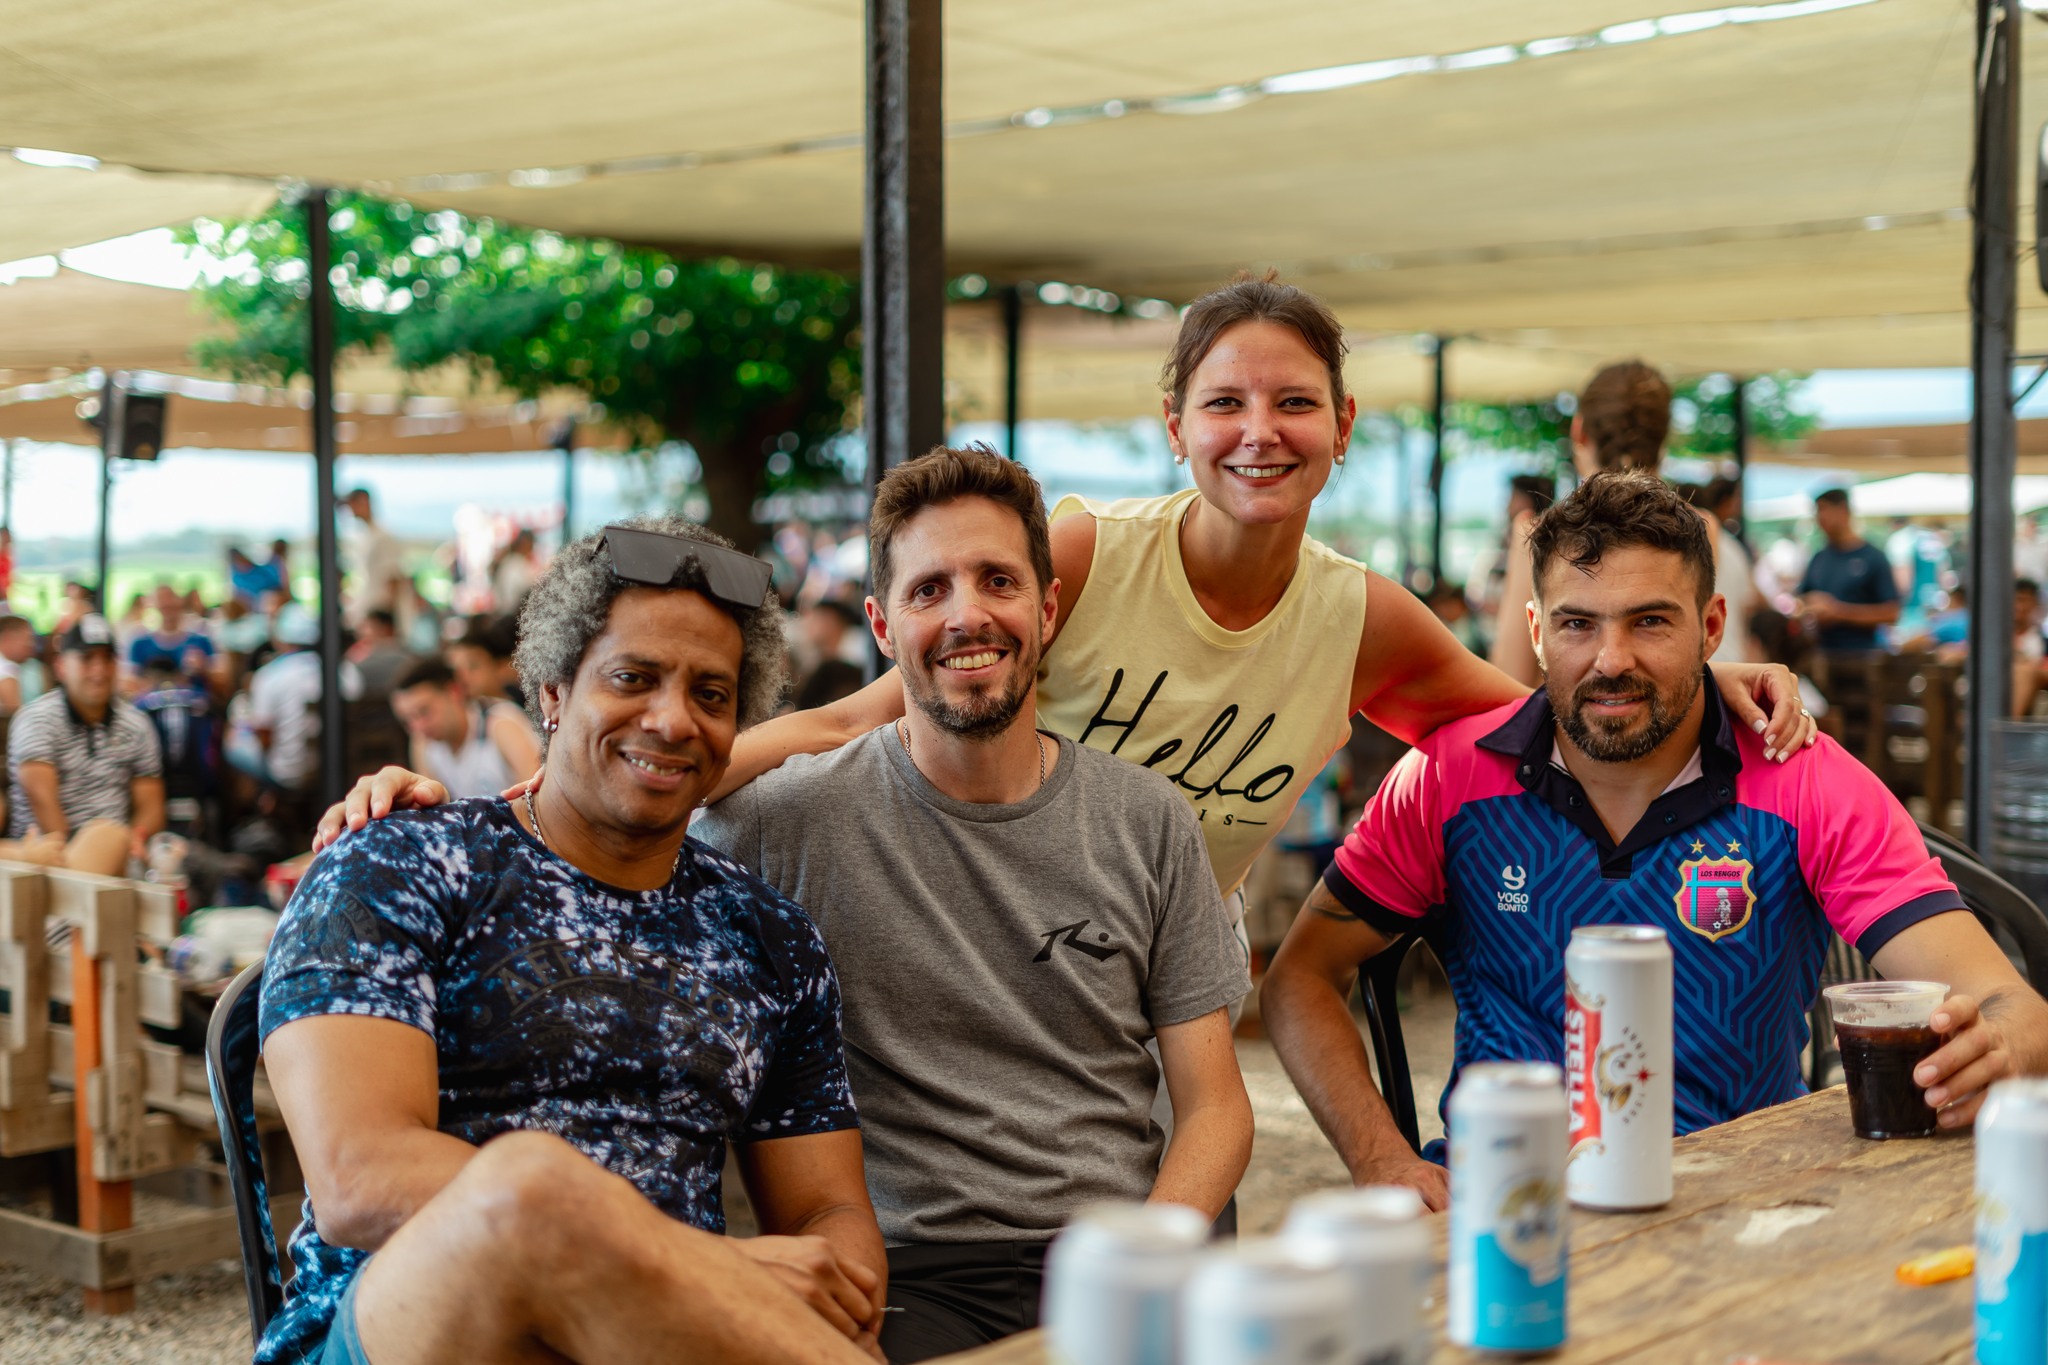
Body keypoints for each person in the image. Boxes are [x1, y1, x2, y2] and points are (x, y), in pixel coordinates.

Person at [321, 274, 1817, 969]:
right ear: (1175, 422)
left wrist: (1704, 668)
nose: (1259, 428)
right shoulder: (1089, 549)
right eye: (1224, 400)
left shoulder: (1360, 616)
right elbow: (855, 719)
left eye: (1293, 400)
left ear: (1344, 424)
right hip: (946, 936)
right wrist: (533, 798)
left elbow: (1531, 721)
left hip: (1146, 987)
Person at [1260, 472, 2048, 1210]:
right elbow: (1298, 978)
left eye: (1650, 621)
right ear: (1536, 632)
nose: (1612, 660)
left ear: (1711, 627)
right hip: (1503, 1201)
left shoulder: (1805, 778)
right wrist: (1381, 1159)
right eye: (1578, 623)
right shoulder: (1447, 778)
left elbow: (2016, 1006)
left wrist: (1998, 1044)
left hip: (1743, 1209)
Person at [258, 516, 887, 1365]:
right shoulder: (402, 862)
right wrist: (712, 1266)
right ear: (552, 691)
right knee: (529, 1185)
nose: (672, 720)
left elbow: (826, 1215)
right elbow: (358, 1177)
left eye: (711, 695)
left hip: (656, 1343)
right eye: (633, 677)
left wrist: (836, 1277)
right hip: (410, 1328)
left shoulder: (768, 938)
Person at [693, 448, 1252, 1360]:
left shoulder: (1145, 817)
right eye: (929, 590)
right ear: (881, 623)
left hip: (1122, 1243)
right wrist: (422, 810)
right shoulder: (784, 820)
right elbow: (604, 821)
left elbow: (1217, 1105)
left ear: (1048, 607)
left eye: (998, 579)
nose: (967, 614)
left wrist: (1152, 1253)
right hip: (913, 1272)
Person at [1492, 361, 1696, 686]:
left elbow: (1511, 680)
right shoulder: (1701, 530)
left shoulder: (1538, 536)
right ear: (1664, 435)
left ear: (1579, 431)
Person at [5, 614, 163, 862]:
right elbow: (43, 804)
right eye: (86, 659)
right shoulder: (37, 719)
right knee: (104, 839)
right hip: (49, 855)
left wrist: (134, 840)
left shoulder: (136, 723)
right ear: (61, 666)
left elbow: (151, 805)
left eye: (107, 658)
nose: (99, 670)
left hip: (120, 850)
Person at [235, 606, 364, 792]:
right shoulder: (346, 671)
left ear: (281, 638)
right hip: (345, 768)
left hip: (291, 774)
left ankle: (258, 805)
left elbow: (263, 735)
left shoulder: (270, 674)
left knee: (233, 743)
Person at [389, 656, 541, 799]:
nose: (417, 726)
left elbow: (537, 794)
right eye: (407, 720)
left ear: (454, 692)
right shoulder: (422, 741)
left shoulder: (500, 723)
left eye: (424, 711)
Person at [1797, 488, 1901, 657]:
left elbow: (1892, 613)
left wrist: (1839, 612)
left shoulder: (1873, 557)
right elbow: (1800, 599)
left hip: (1862, 656)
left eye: (1825, 509)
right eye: (1818, 512)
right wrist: (1810, 605)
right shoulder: (1819, 558)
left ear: (1844, 510)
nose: (1820, 518)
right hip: (1822, 655)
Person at [1703, 476, 1759, 664]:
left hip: (1702, 661)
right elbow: (1749, 605)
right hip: (1731, 657)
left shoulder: (1680, 546)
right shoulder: (1734, 549)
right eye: (1736, 500)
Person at [127, 582, 216, 691]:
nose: (167, 604)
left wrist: (203, 668)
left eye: (170, 598)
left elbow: (221, 683)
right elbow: (129, 685)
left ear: (180, 601)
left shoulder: (200, 641)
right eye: (161, 600)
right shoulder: (140, 644)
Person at [342, 488, 406, 627]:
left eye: (352, 504)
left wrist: (386, 619)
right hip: (367, 613)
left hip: (378, 616)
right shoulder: (362, 537)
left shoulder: (383, 537)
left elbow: (393, 578)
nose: (350, 510)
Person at [446, 614, 523, 710]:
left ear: (500, 667)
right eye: (455, 671)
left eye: (472, 666)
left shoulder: (527, 701)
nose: (463, 677)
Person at [347, 608, 414, 699]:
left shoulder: (395, 653)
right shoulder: (362, 649)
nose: (361, 630)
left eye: (368, 626)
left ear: (386, 629)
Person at [0, 614, 47, 712]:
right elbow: (15, 719)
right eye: (28, 638)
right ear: (7, 638)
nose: (32, 645)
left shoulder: (32, 666)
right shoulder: (7, 673)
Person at [491, 527, 539, 611]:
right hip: (511, 615)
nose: (532, 548)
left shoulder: (509, 561)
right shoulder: (516, 564)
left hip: (505, 613)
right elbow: (525, 591)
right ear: (525, 543)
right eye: (531, 544)